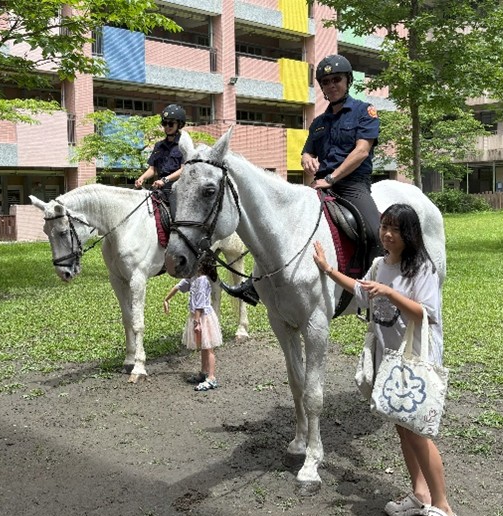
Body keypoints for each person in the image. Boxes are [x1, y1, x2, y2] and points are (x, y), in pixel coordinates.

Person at [313, 203, 457, 516]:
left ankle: (444, 508)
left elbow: (425, 314)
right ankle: (420, 495)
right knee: (402, 427)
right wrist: (328, 270)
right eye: (384, 227)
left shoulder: (421, 268)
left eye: (394, 228)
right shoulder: (380, 265)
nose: (387, 234)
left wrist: (391, 293)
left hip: (416, 357)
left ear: (409, 234)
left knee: (418, 430)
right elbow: (362, 291)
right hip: (390, 356)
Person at [223, 54, 382, 306]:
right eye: (326, 82)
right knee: (277, 228)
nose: (331, 85)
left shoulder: (365, 112)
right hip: (319, 186)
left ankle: (373, 284)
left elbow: (362, 151)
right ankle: (257, 283)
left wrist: (332, 177)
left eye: (336, 79)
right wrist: (307, 158)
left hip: (352, 186)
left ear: (348, 80)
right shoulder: (318, 123)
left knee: (376, 232)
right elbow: (307, 151)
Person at [163, 256, 223, 392]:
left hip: (203, 317)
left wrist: (197, 322)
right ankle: (203, 372)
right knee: (203, 346)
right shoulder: (194, 277)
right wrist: (167, 299)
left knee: (209, 347)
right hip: (197, 316)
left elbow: (200, 304)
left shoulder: (202, 280)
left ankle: (212, 377)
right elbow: (179, 286)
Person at [134, 103, 187, 201]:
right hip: (159, 189)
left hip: (177, 191)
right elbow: (152, 169)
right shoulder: (158, 146)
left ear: (179, 125)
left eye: (171, 124)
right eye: (164, 123)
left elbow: (184, 170)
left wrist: (165, 180)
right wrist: (142, 178)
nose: (167, 126)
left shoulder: (183, 146)